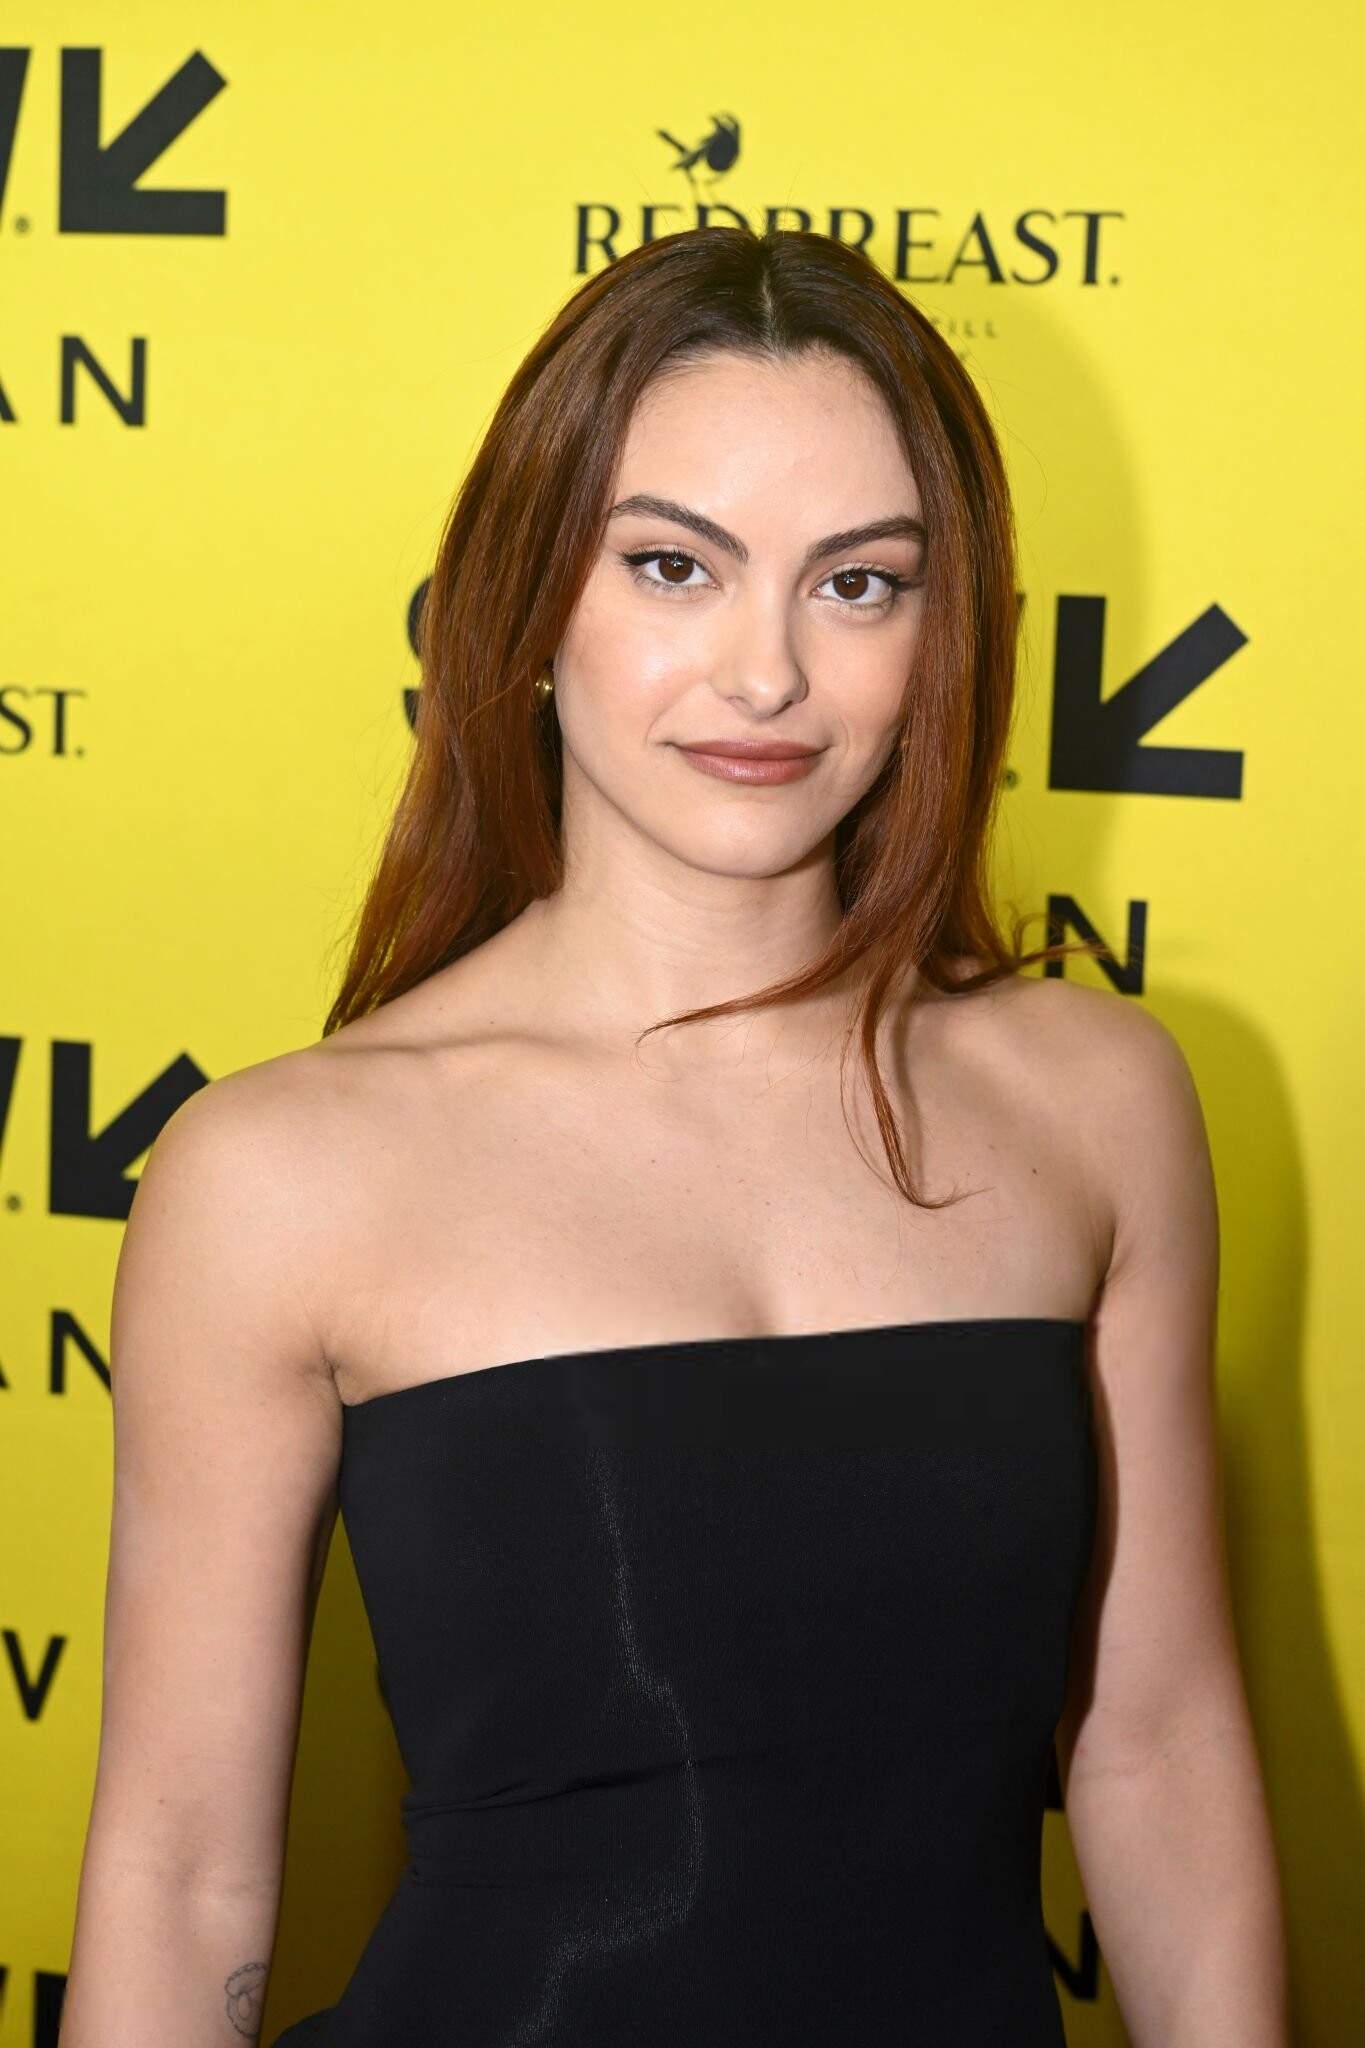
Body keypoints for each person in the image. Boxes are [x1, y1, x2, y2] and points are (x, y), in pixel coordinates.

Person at [59, 225, 1289, 2047]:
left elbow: (1156, 1742)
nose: (765, 672)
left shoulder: (1096, 1099)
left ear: (946, 633)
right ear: (525, 602)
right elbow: (178, 1879)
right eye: (670, 566)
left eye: (857, 584)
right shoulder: (283, 1172)